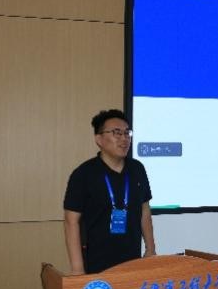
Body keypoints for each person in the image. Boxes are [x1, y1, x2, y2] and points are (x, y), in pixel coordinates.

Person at [63, 109, 156, 274]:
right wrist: (77, 268)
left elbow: (145, 210)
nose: (124, 138)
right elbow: (71, 221)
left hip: (132, 260)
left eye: (127, 133)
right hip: (96, 264)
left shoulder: (137, 169)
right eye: (116, 133)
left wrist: (150, 248)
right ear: (99, 139)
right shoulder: (83, 174)